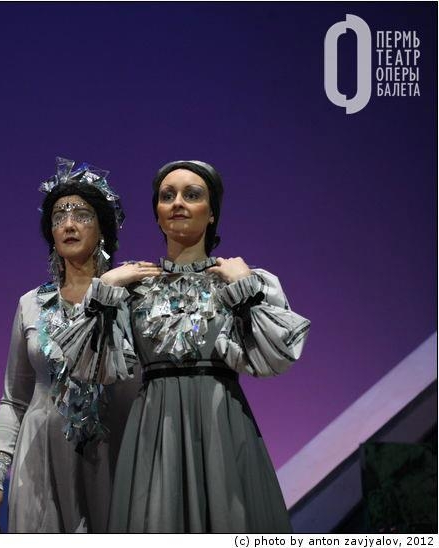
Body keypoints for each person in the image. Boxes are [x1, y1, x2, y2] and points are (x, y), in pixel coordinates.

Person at [57, 160, 311, 532]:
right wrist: (104, 289)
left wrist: (244, 289)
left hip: (221, 427)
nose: (178, 203)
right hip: (154, 431)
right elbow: (87, 365)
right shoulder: (131, 285)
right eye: (167, 196)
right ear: (157, 214)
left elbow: (276, 357)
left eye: (192, 195)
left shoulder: (244, 280)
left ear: (212, 213)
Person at [0, 158, 142, 533]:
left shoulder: (132, 297)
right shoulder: (31, 304)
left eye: (81, 215)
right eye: (58, 217)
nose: (68, 224)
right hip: (40, 459)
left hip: (112, 455)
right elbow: (14, 398)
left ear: (103, 228)